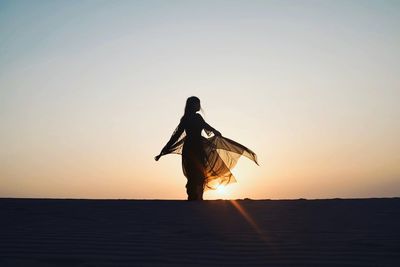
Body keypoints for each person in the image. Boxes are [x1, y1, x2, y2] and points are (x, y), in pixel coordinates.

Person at [155, 96, 258, 201]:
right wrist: (163, 150)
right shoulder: (193, 118)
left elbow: (179, 135)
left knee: (195, 174)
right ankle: (195, 198)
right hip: (194, 148)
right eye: (197, 103)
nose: (199, 106)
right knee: (196, 173)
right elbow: (176, 135)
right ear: (192, 105)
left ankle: (195, 198)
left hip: (193, 147)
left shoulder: (189, 118)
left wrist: (163, 151)